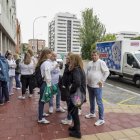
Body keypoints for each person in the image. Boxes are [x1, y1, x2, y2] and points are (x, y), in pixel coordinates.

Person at [85, 50, 109, 126]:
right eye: (92, 55)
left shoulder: (101, 62)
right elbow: (87, 72)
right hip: (90, 85)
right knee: (91, 100)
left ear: (98, 55)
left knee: (99, 102)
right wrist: (86, 81)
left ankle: (101, 119)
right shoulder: (89, 63)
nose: (93, 56)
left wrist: (102, 81)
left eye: (95, 55)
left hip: (97, 86)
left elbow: (107, 72)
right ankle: (92, 113)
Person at [37, 48, 58, 124]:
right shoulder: (46, 63)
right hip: (45, 83)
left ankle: (41, 114)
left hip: (44, 83)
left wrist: (55, 67)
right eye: (50, 53)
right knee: (42, 100)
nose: (51, 55)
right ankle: (40, 118)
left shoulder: (45, 62)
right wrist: (49, 84)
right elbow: (47, 74)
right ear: (46, 54)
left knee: (42, 100)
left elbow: (48, 70)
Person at [68, 54, 86, 138]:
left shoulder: (76, 70)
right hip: (79, 93)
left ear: (74, 60)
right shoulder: (80, 68)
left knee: (74, 112)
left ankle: (77, 132)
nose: (69, 61)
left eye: (71, 59)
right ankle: (75, 127)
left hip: (77, 94)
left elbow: (77, 82)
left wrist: (71, 89)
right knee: (73, 110)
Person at [60, 53, 73, 125]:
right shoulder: (67, 66)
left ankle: (69, 118)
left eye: (68, 58)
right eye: (66, 58)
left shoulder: (70, 67)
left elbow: (70, 77)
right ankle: (69, 117)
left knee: (69, 103)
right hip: (66, 86)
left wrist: (66, 84)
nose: (66, 59)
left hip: (68, 87)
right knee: (69, 103)